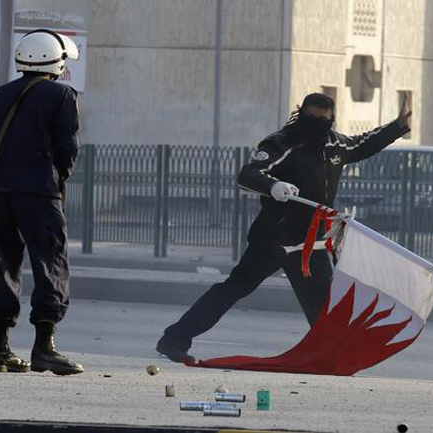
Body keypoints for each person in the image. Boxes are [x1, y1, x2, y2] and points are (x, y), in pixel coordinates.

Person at [156, 92, 412, 363]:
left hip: (309, 243)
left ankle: (330, 358)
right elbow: (249, 174)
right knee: (232, 289)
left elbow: (364, 143)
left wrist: (397, 126)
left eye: (322, 120)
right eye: (310, 118)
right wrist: (273, 186)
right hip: (273, 238)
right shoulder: (281, 143)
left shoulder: (335, 145)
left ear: (331, 119)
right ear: (300, 114)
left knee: (324, 304)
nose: (316, 125)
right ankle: (173, 340)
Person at [0, 29, 83, 375]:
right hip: (40, 193)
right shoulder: (62, 95)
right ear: (54, 60)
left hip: (2, 194)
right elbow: (67, 148)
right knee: (50, 264)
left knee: (4, 264)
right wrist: (58, 177)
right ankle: (44, 347)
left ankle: (0, 351)